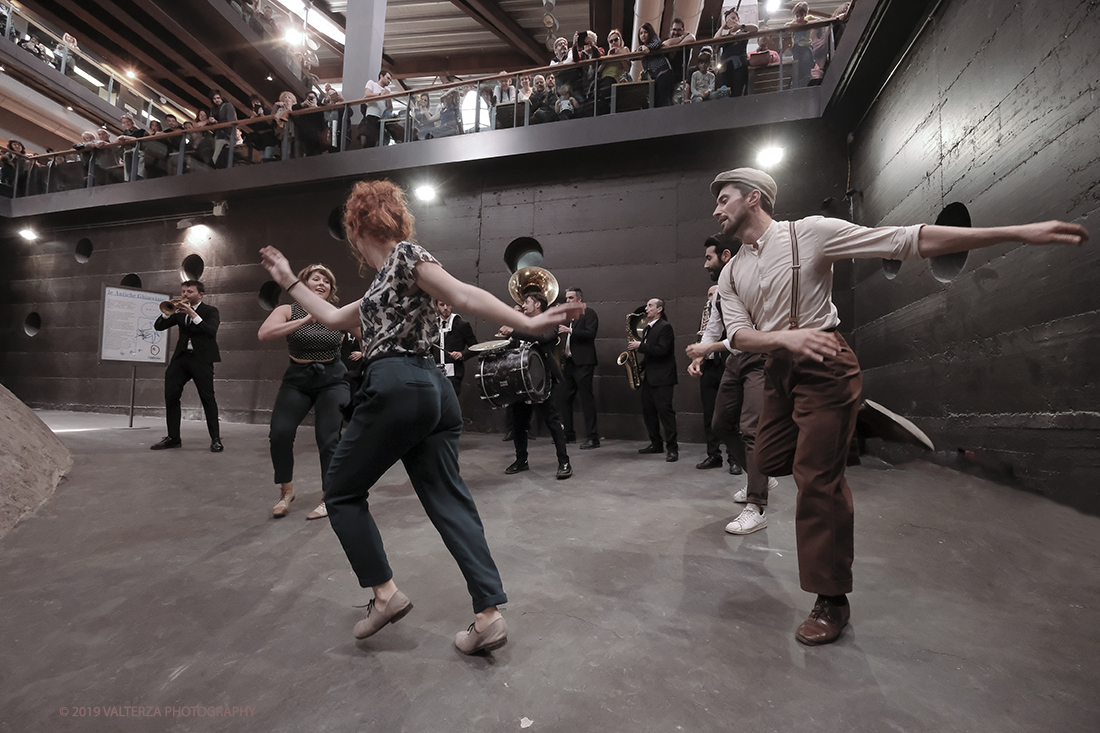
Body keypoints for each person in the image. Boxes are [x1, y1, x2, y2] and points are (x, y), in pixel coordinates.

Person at [709, 166, 1089, 646]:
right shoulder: (731, 271)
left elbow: (905, 240)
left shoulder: (809, 234)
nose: (717, 209)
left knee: (816, 480)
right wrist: (784, 339)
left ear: (755, 198)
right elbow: (739, 336)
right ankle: (856, 422)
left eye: (724, 198)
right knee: (769, 457)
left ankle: (831, 601)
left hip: (826, 360)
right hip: (782, 370)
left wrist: (1015, 232)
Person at [259, 180, 585, 654]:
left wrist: (532, 323)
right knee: (448, 499)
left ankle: (384, 595)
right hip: (434, 392)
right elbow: (330, 318)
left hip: (396, 384)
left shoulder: (406, 257)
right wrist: (289, 279)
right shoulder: (381, 288)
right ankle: (487, 616)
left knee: (342, 492)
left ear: (356, 229)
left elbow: (461, 293)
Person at [685, 235, 779, 536]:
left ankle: (757, 506)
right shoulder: (720, 290)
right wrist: (700, 353)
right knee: (722, 424)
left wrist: (710, 349)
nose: (705, 264)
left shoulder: (753, 277)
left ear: (726, 255)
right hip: (735, 360)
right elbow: (715, 323)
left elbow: (748, 333)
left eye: (709, 258)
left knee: (752, 428)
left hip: (760, 358)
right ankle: (759, 474)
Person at [258, 264, 352, 520]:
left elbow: (364, 333)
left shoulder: (337, 312)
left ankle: (329, 496)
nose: (322, 283)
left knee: (328, 438)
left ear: (331, 289)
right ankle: (286, 491)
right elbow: (264, 333)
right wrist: (307, 319)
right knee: (279, 433)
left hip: (333, 379)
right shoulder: (287, 310)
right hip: (298, 379)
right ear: (303, 283)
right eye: (316, 279)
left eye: (327, 281)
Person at [505, 293, 573, 480]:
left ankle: (564, 462)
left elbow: (542, 338)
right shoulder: (520, 323)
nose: (523, 305)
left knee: (552, 421)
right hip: (520, 380)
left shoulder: (549, 323)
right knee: (519, 422)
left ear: (537, 305)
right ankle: (521, 460)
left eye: (526, 302)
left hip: (541, 380)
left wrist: (514, 330)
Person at [151, 280, 222, 452]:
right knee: (171, 395)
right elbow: (158, 326)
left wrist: (192, 314)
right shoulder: (179, 311)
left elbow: (210, 331)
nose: (184, 295)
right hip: (182, 358)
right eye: (183, 291)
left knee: (207, 398)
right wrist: (168, 313)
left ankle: (216, 439)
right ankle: (173, 438)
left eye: (189, 292)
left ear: (200, 294)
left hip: (202, 359)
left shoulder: (210, 311)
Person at [627, 298, 678, 461]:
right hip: (650, 377)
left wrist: (639, 346)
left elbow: (662, 350)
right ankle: (656, 443)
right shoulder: (648, 329)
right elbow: (651, 354)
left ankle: (672, 449)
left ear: (659, 309)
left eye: (650, 306)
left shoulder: (665, 327)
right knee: (648, 412)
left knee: (665, 413)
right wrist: (639, 367)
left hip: (663, 378)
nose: (646, 308)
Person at [558, 287, 599, 448]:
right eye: (566, 298)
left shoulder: (589, 313)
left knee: (586, 400)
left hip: (584, 363)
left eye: (570, 298)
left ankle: (593, 437)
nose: (567, 301)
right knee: (565, 398)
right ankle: (569, 434)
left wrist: (570, 330)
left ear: (579, 299)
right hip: (569, 362)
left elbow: (590, 334)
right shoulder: (569, 316)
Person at [436, 300, 478, 395]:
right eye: (442, 305)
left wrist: (462, 354)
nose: (445, 308)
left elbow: (475, 347)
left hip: (454, 374)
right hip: (434, 373)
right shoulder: (433, 325)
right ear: (436, 307)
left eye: (448, 304)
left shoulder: (462, 325)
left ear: (453, 305)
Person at [637, 23, 675, 107]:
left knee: (664, 98)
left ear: (650, 33)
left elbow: (658, 43)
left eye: (645, 32)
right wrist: (642, 48)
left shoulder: (654, 40)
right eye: (641, 33)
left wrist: (647, 48)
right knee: (656, 101)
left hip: (663, 72)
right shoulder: (642, 48)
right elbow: (637, 52)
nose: (643, 35)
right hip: (655, 77)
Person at [360, 70, 393, 148]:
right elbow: (367, 94)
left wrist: (388, 97)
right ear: (381, 76)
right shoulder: (372, 83)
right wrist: (380, 94)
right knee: (370, 140)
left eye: (390, 80)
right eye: (388, 78)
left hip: (382, 119)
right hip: (372, 115)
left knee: (380, 141)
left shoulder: (388, 90)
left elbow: (390, 108)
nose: (389, 81)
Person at [209, 90, 237, 168]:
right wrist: (212, 122)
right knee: (221, 157)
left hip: (226, 135)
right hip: (218, 135)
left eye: (218, 98)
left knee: (216, 158)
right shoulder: (213, 109)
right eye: (214, 99)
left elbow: (230, 121)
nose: (217, 100)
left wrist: (217, 122)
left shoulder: (228, 105)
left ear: (221, 97)